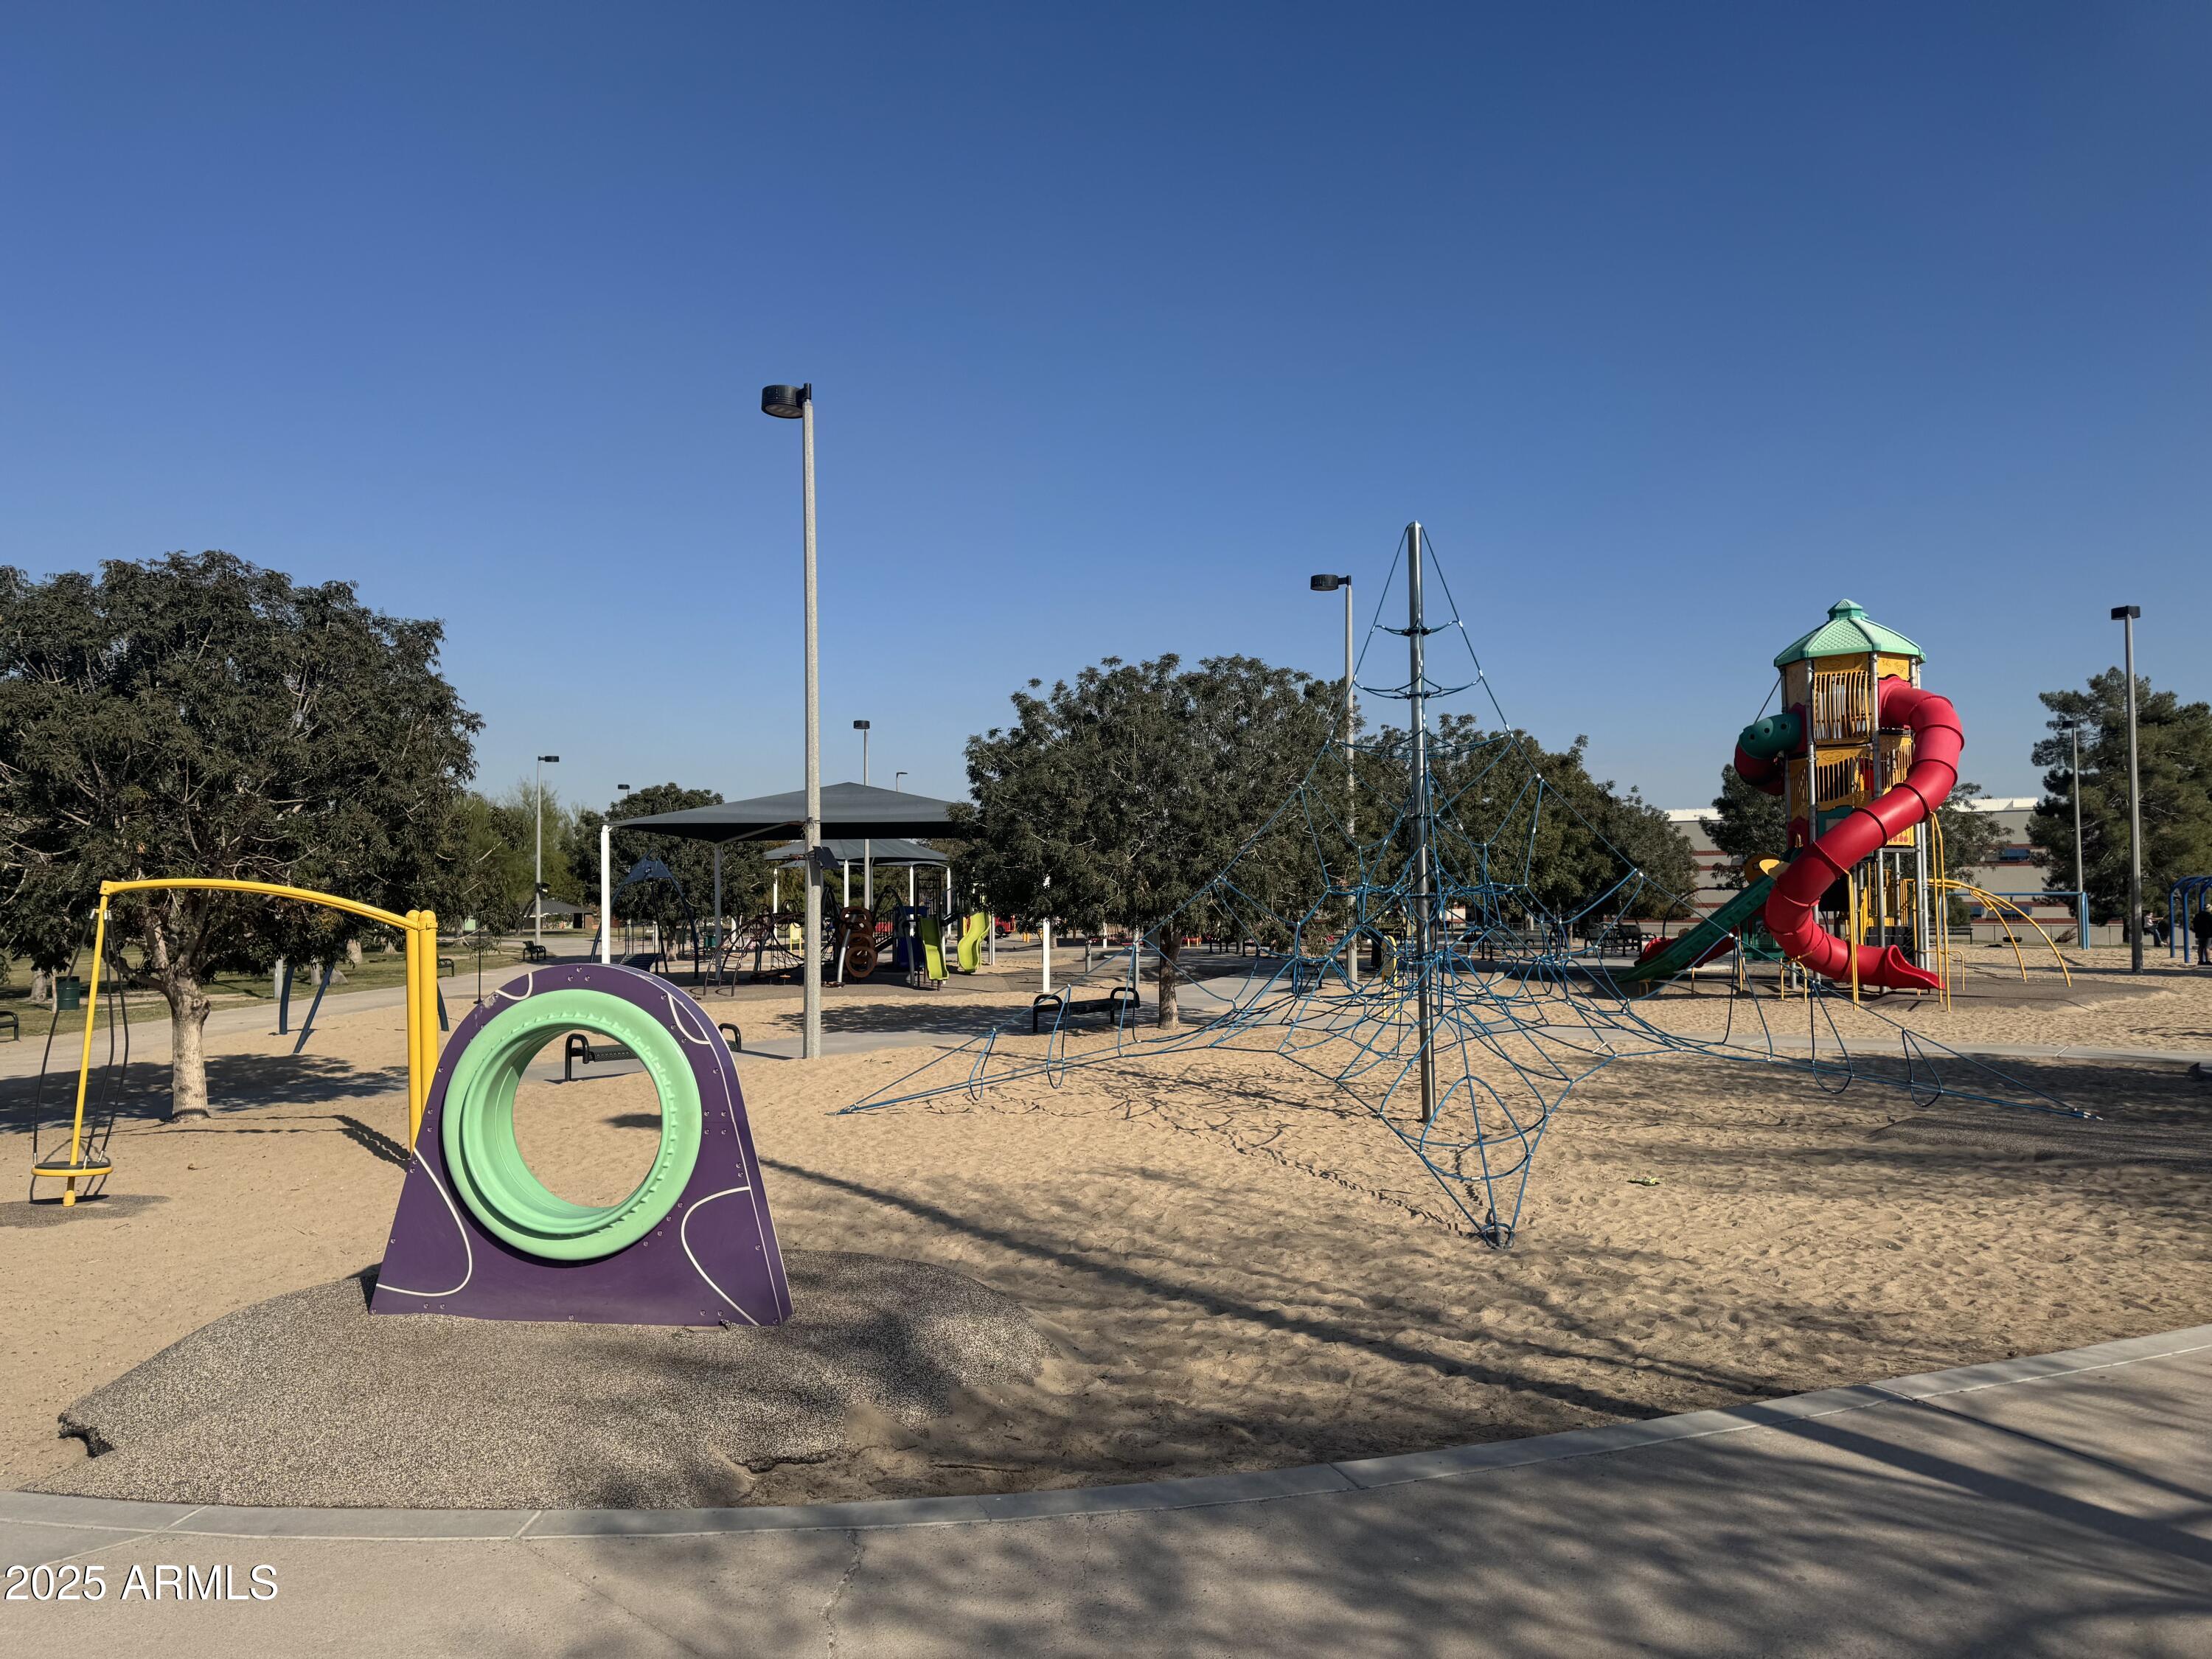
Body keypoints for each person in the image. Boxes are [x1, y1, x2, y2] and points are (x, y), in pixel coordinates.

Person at [2196, 900, 2212, 966]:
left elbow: (2194, 924)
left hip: (2200, 933)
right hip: (2208, 934)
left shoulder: (2198, 915)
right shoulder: (2210, 916)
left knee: (2200, 947)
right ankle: (2208, 961)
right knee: (2207, 947)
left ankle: (2200, 961)